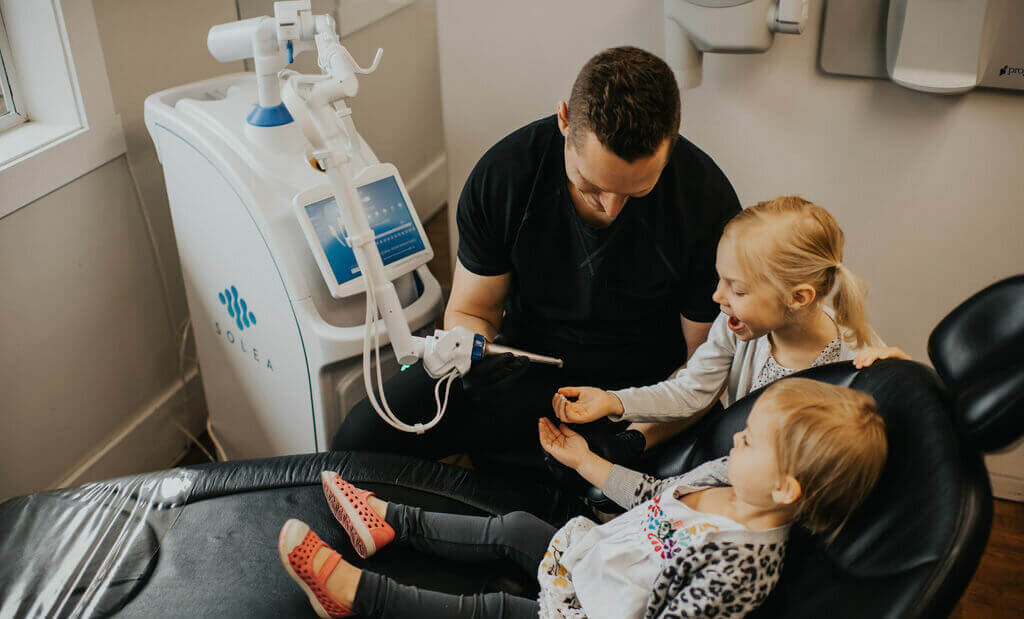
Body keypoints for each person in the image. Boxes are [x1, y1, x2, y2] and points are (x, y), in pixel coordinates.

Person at [331, 46, 742, 468]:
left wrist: (628, 443)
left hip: (642, 400)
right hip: (523, 372)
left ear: (671, 144)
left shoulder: (707, 206)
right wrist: (476, 354)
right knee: (358, 439)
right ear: (564, 120)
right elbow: (472, 309)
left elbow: (704, 372)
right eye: (591, 185)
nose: (610, 208)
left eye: (636, 191)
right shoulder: (505, 176)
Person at [278, 377, 888, 618]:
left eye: (753, 441)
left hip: (593, 614)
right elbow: (654, 495)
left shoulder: (744, 563)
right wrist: (586, 462)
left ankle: (356, 596)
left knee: (493, 612)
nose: (738, 436)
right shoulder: (723, 479)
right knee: (515, 526)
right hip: (592, 555)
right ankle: (388, 519)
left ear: (785, 488)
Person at [551, 196, 910, 430]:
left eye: (737, 290)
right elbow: (691, 391)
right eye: (720, 280)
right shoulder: (735, 326)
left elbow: (897, 419)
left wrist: (896, 374)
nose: (717, 296)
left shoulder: (855, 358)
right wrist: (613, 400)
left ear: (798, 297)